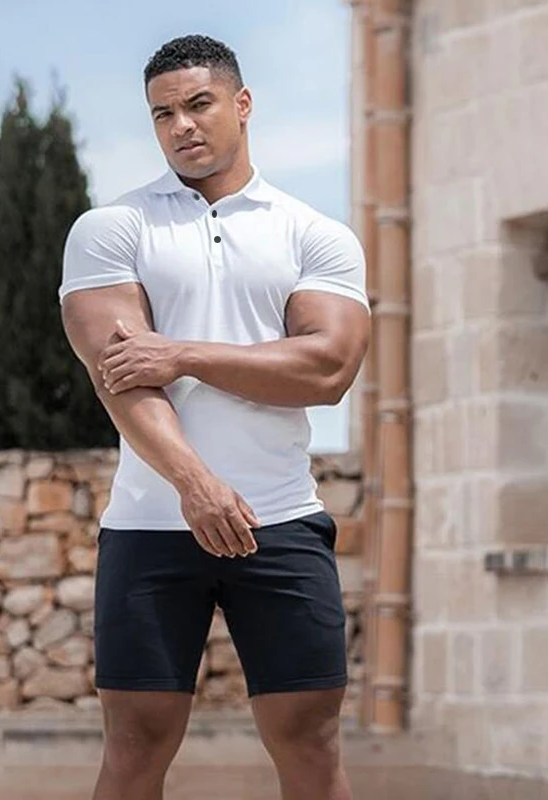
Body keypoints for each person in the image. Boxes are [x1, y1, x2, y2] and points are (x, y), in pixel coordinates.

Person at [59, 33, 370, 800]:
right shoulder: (111, 229)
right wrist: (195, 485)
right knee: (135, 746)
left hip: (282, 519)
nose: (182, 126)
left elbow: (327, 369)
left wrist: (184, 354)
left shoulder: (313, 234)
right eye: (163, 114)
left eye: (199, 104)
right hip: (149, 524)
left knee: (312, 742)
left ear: (243, 104)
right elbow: (120, 377)